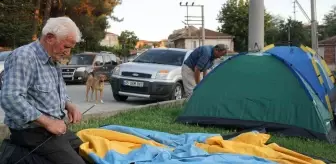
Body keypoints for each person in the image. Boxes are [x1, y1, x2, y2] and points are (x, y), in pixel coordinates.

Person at [0, 17, 87, 164]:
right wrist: (48, 123)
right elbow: (10, 97)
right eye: (66, 47)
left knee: (86, 152)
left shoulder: (53, 60)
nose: (68, 52)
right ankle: (14, 154)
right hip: (31, 132)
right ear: (50, 38)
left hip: (52, 129)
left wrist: (69, 105)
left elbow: (58, 92)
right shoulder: (24, 57)